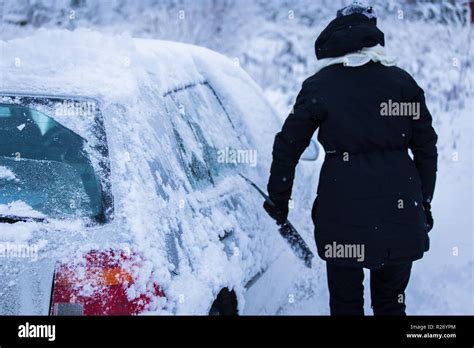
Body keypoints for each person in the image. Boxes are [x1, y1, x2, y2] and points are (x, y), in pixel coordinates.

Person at [263, 2, 437, 316]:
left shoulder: (320, 86)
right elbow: (427, 148)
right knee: (390, 304)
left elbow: (288, 145)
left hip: (342, 210)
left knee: (345, 305)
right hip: (400, 210)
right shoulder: (402, 82)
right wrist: (423, 202)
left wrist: (279, 199)